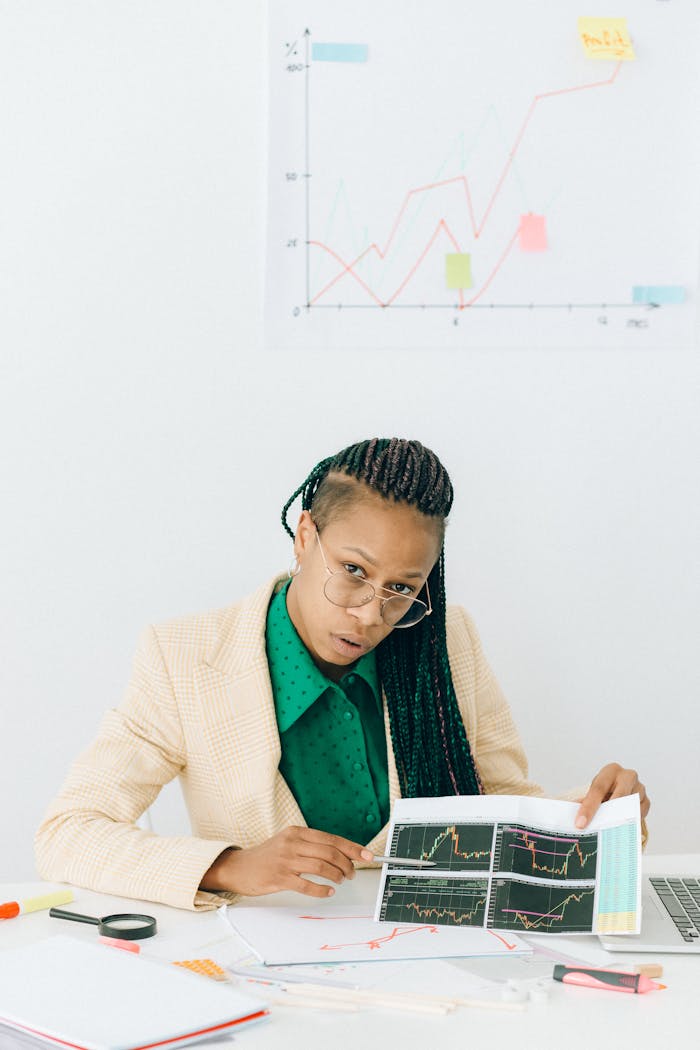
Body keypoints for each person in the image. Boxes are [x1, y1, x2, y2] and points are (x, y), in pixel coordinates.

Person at [35, 438, 650, 910]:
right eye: (353, 570)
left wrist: (599, 816)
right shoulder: (184, 658)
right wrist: (228, 866)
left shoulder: (444, 642)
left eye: (401, 588)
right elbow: (67, 833)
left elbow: (497, 806)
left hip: (430, 956)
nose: (371, 612)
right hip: (263, 974)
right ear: (305, 536)